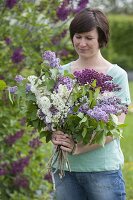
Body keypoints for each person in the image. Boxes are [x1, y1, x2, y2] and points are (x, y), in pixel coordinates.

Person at [51, 8, 131, 200]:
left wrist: (79, 148)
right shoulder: (60, 73)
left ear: (101, 39)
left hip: (101, 171)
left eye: (89, 38)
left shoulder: (116, 75)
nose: (82, 43)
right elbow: (51, 115)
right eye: (78, 36)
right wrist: (53, 132)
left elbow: (116, 128)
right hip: (64, 170)